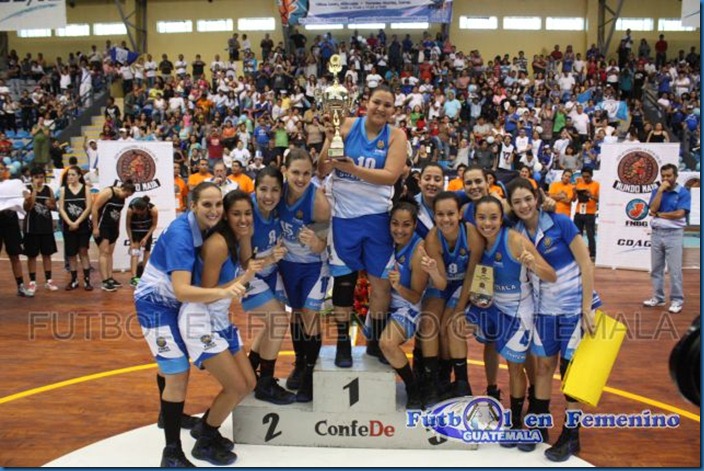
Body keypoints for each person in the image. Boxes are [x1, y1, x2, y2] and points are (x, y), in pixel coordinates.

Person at [134, 182, 246, 467]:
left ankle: (166, 415)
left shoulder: (205, 227)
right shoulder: (182, 234)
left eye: (218, 204)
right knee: (178, 374)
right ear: (192, 205)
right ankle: (171, 454)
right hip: (156, 305)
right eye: (207, 204)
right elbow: (183, 290)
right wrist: (223, 292)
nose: (214, 210)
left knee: (170, 366)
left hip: (174, 304)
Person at [507, 177, 600, 459]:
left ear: (537, 197)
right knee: (544, 368)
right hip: (543, 311)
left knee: (570, 373)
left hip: (574, 309)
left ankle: (572, 435)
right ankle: (539, 425)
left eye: (527, 198)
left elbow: (586, 263)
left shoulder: (561, 223)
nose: (523, 205)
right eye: (516, 201)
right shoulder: (516, 231)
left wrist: (586, 308)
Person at [319, 85, 407, 367]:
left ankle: (375, 342)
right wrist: (328, 137)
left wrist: (352, 168)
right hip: (344, 217)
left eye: (387, 105)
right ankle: (343, 343)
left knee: (380, 285)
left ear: (393, 110)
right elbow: (323, 169)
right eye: (377, 102)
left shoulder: (396, 136)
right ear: (366, 103)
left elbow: (391, 176)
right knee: (344, 284)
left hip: (378, 218)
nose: (381, 109)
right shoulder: (344, 126)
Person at [467, 195, 556, 446]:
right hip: (492, 307)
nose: (487, 223)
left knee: (516, 367)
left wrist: (533, 265)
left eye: (493, 217)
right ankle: (515, 416)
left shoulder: (515, 240)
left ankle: (522, 422)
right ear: (474, 219)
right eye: (482, 218)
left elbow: (551, 274)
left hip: (518, 310)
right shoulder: (476, 240)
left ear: (501, 219)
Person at [179, 190, 259, 465]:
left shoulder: (237, 238)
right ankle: (205, 442)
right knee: (235, 387)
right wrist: (245, 279)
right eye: (236, 214)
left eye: (247, 213)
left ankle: (205, 426)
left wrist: (248, 236)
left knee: (249, 383)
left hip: (220, 318)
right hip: (200, 319)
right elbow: (206, 291)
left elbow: (248, 265)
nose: (243, 218)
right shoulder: (218, 244)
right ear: (226, 215)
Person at [379, 199, 445, 409]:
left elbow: (416, 297)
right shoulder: (385, 242)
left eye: (406, 224)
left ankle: (412, 386)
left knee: (387, 344)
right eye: (395, 223)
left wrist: (398, 287)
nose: (399, 229)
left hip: (409, 306)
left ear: (415, 225)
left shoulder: (418, 251)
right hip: (388, 303)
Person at [278, 149, 330, 402]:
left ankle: (310, 373)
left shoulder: (318, 201)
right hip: (287, 264)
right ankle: (300, 362)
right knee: (296, 313)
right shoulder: (277, 193)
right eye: (296, 173)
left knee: (310, 316)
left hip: (312, 265)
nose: (301, 178)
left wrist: (317, 242)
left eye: (307, 174)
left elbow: (325, 245)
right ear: (285, 171)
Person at [239, 167, 295, 404]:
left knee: (275, 320)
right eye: (263, 189)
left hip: (269, 273)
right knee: (279, 321)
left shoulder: (276, 209)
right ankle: (266, 383)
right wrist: (271, 258)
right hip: (249, 275)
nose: (268, 196)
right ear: (254, 187)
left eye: (274, 190)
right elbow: (244, 262)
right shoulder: (247, 215)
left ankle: (252, 367)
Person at [420, 191, 481, 403]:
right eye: (440, 214)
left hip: (464, 283)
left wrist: (459, 308)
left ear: (460, 214)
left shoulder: (471, 232)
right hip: (442, 283)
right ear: (434, 216)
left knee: (450, 325)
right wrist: (435, 273)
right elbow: (442, 282)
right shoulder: (432, 238)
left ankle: (459, 382)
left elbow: (472, 274)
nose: (446, 219)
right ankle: (431, 383)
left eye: (450, 214)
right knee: (428, 324)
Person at [643, 163, 691, 314]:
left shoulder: (683, 193)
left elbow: (679, 214)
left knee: (674, 270)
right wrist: (660, 192)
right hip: (657, 233)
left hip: (674, 234)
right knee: (656, 269)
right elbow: (652, 209)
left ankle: (677, 300)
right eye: (663, 176)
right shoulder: (657, 191)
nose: (665, 178)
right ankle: (658, 297)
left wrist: (659, 215)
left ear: (675, 176)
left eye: (669, 176)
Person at [91, 180, 136, 292]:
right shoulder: (108, 192)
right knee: (104, 252)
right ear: (124, 189)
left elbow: (118, 212)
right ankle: (104, 281)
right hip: (103, 226)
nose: (126, 197)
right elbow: (95, 208)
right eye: (126, 195)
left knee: (110, 253)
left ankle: (110, 278)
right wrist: (95, 227)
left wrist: (118, 228)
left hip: (113, 227)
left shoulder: (122, 198)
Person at [22, 166, 58, 294]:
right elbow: (28, 207)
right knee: (31, 256)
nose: (39, 179)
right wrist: (35, 192)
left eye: (41, 177)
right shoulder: (27, 190)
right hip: (31, 228)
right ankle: (32, 282)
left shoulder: (49, 189)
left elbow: (54, 207)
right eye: (36, 177)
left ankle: (49, 280)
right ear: (31, 177)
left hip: (46, 227)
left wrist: (51, 205)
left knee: (47, 254)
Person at [57, 165, 93, 291]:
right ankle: (74, 280)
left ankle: (87, 280)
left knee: (83, 251)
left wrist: (77, 222)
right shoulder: (63, 190)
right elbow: (61, 208)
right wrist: (70, 222)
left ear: (79, 176)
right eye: (69, 175)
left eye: (73, 174)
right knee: (71, 254)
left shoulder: (86, 189)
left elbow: (88, 208)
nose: (70, 177)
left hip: (82, 225)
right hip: (69, 226)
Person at [0, 161, 33, 296]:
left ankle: (20, 286)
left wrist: (28, 198)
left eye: (2, 168)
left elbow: (27, 204)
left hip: (10, 219)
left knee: (15, 254)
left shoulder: (15, 184)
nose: (1, 171)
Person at [126, 196, 158, 287]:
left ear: (143, 210)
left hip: (147, 232)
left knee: (147, 253)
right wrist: (131, 241)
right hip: (135, 231)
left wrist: (146, 238)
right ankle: (134, 277)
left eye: (137, 210)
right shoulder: (130, 210)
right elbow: (128, 226)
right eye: (134, 209)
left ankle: (145, 276)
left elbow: (154, 225)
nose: (135, 211)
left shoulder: (153, 210)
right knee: (135, 253)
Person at [573, 167, 599, 259]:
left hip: (590, 213)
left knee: (590, 234)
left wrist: (590, 195)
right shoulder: (579, 184)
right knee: (576, 235)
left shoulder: (597, 185)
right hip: (578, 212)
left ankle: (592, 254)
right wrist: (574, 192)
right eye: (584, 177)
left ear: (591, 175)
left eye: (587, 177)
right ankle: (577, 254)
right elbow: (574, 200)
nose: (585, 178)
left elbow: (599, 199)